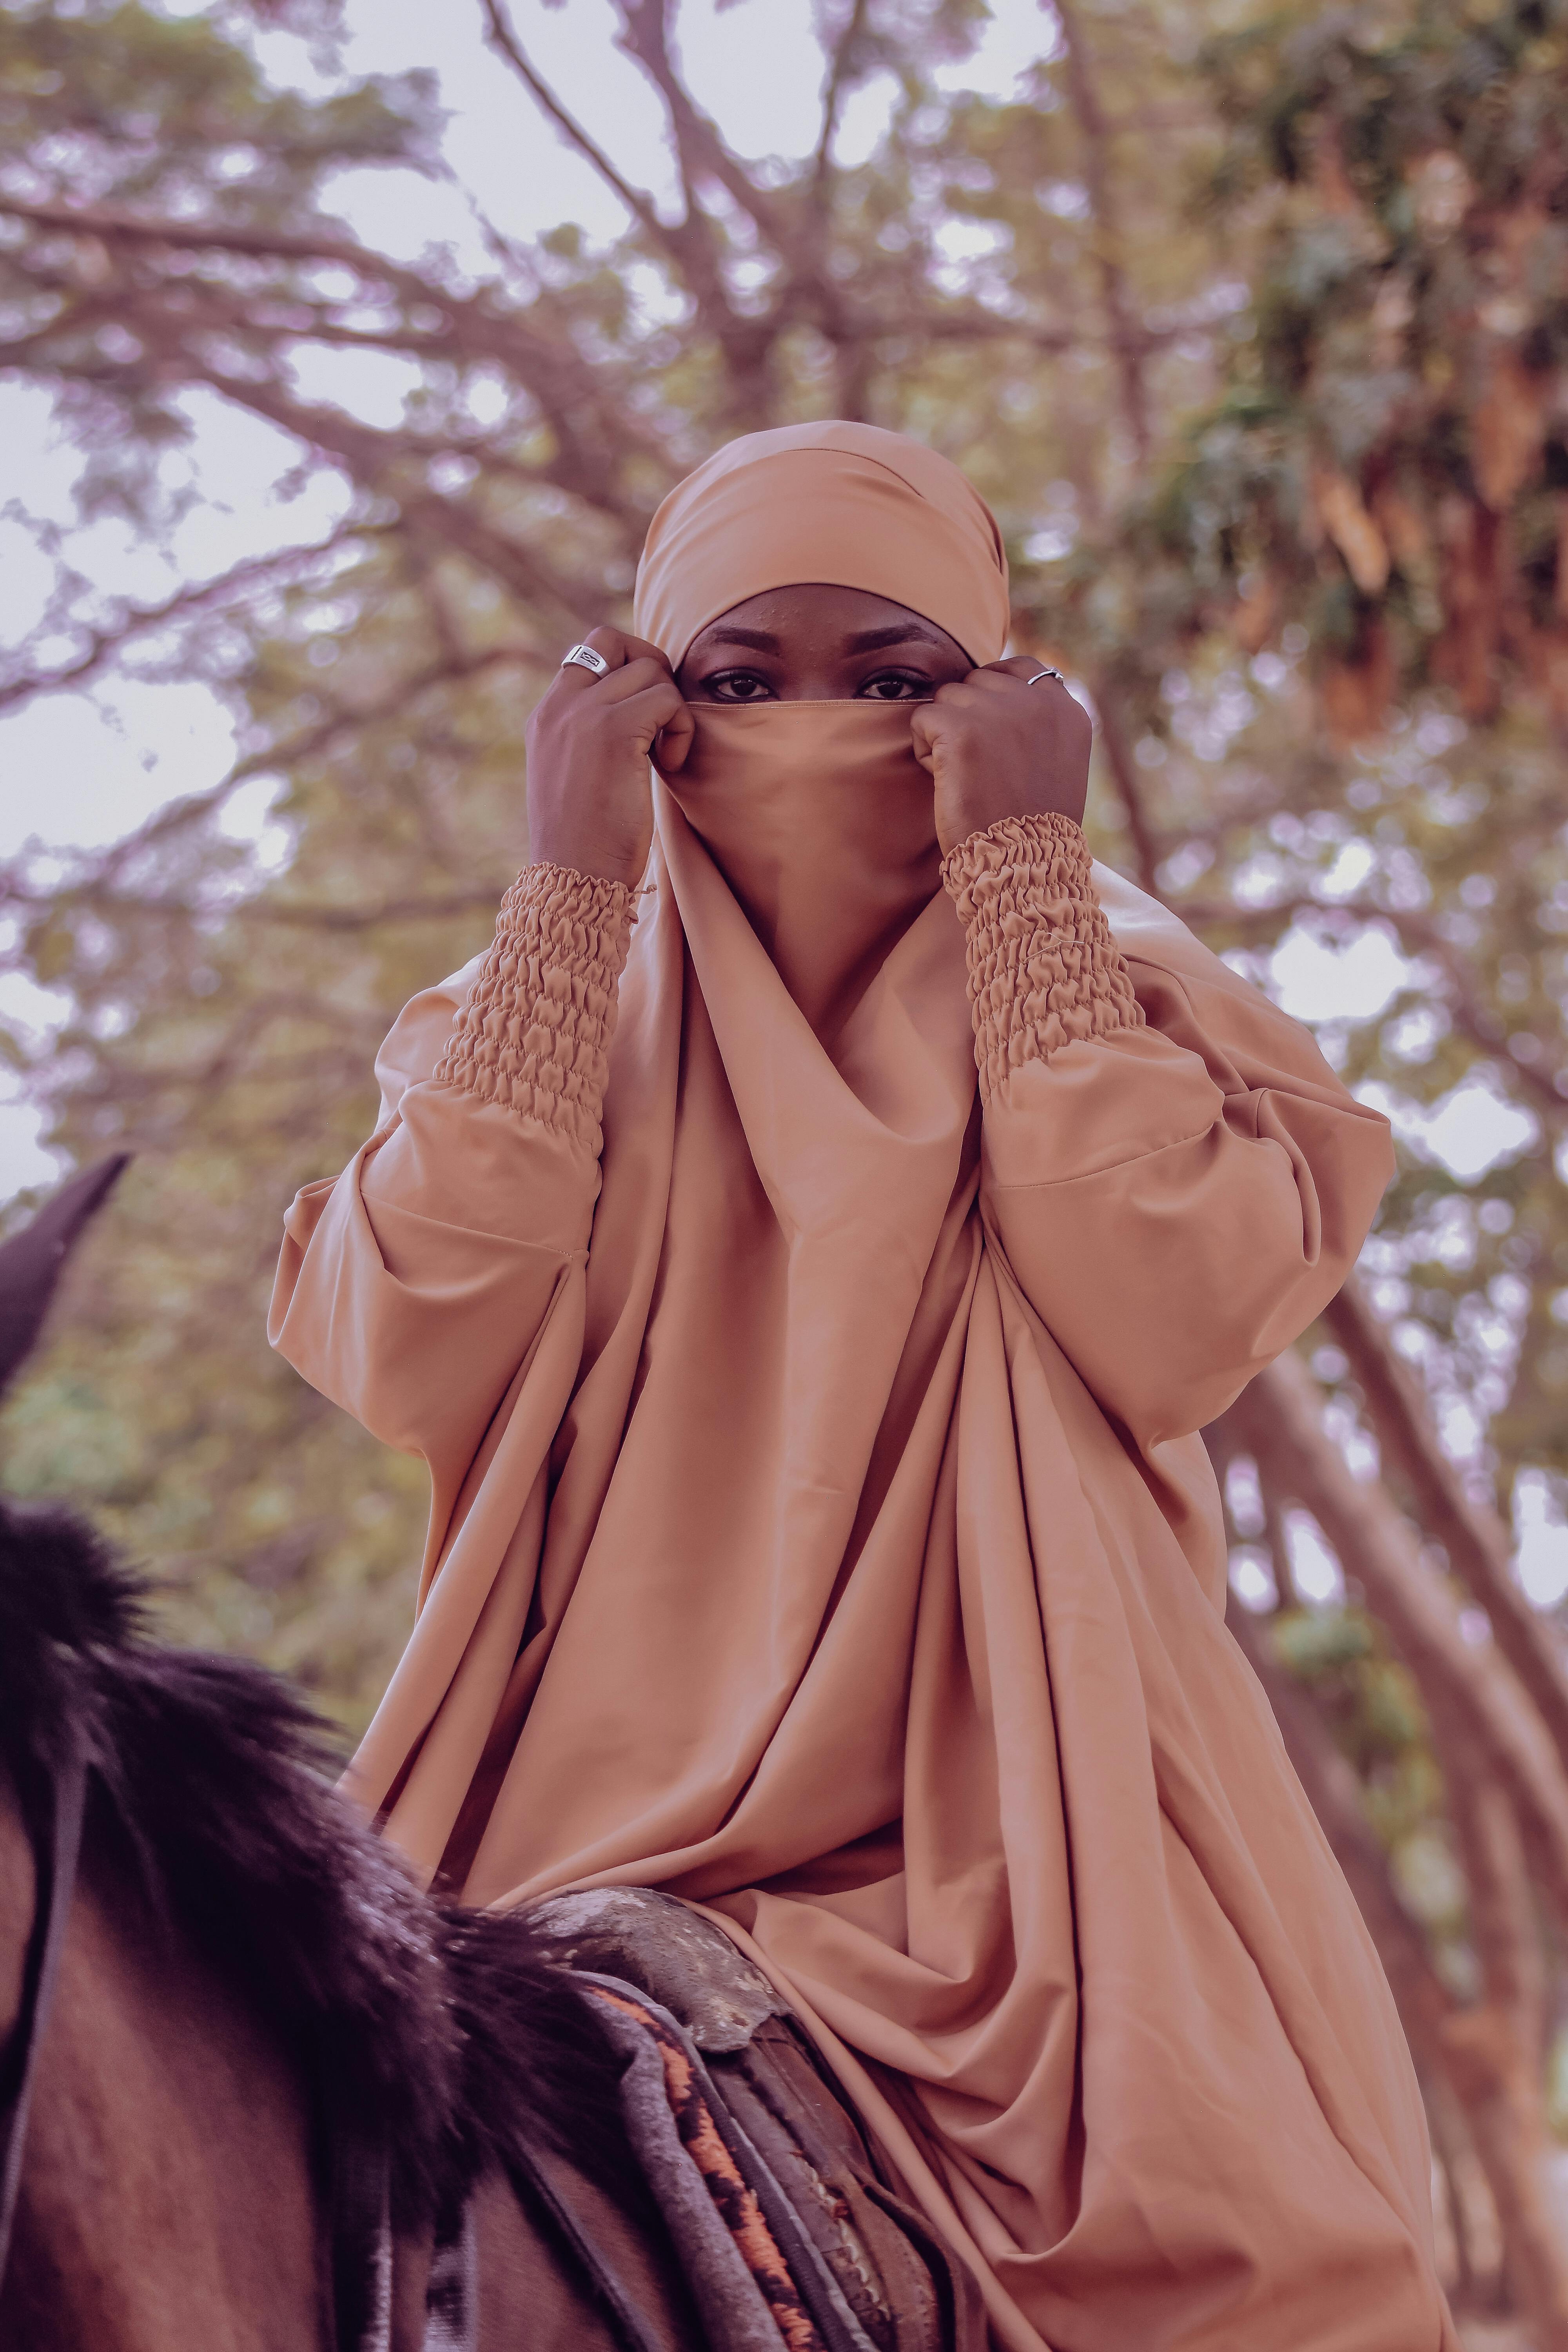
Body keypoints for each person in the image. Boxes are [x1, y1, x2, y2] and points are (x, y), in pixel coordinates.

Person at [270, 423, 1454, 2350]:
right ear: (647, 717)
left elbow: (1167, 1312)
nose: (810, 733)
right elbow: (411, 1343)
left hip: (1059, 1862)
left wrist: (1023, 874)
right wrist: (569, 887)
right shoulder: (543, 1010)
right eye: (735, 685)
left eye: (893, 683)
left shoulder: (1109, 979)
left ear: (995, 701)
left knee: (1258, 2281)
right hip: (566, 1827)